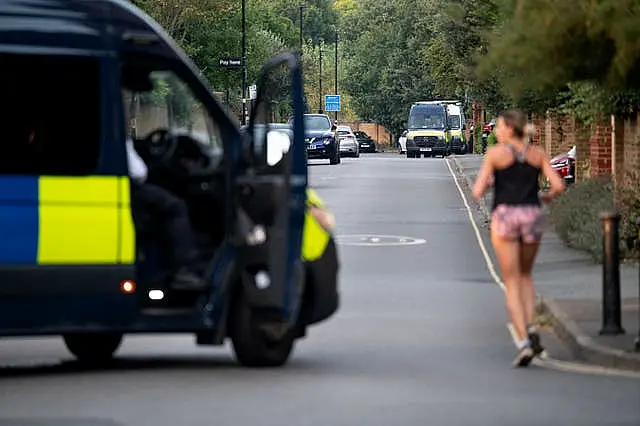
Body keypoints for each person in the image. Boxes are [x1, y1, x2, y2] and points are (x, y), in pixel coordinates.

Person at [472, 109, 565, 367]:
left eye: (499, 127)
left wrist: (491, 182)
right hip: (532, 214)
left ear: (509, 129)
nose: (496, 131)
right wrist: (544, 198)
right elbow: (558, 186)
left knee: (511, 280)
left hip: (505, 217)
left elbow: (477, 191)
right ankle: (532, 324)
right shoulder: (537, 154)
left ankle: (523, 340)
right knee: (526, 276)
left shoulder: (495, 154)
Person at [126, 137, 203, 290]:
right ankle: (183, 268)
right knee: (177, 208)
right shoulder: (118, 134)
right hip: (130, 189)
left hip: (126, 188)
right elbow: (138, 173)